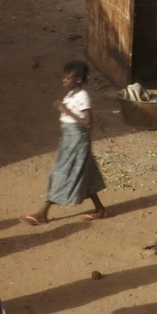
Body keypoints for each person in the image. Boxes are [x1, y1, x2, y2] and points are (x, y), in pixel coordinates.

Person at [23, 60, 108, 224]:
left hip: (77, 141)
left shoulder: (83, 97)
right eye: (64, 77)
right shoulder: (71, 94)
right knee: (85, 174)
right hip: (70, 139)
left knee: (61, 173)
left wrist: (65, 110)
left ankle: (42, 213)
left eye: (68, 78)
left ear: (78, 79)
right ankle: (100, 209)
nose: (64, 81)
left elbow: (89, 124)